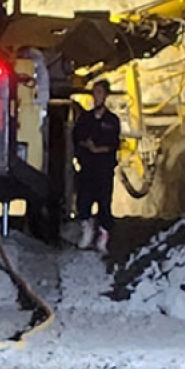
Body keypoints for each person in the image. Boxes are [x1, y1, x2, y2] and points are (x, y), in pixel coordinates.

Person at [70, 80, 122, 253]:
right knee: (83, 201)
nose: (96, 96)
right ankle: (86, 230)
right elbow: (76, 138)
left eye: (99, 92)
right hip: (88, 167)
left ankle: (103, 235)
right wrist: (85, 148)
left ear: (105, 95)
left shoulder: (112, 120)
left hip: (104, 169)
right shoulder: (85, 119)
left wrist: (99, 149)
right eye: (94, 92)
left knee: (104, 203)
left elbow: (114, 144)